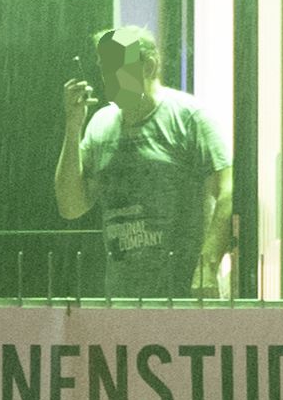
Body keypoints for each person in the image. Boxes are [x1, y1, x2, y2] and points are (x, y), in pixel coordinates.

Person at [53, 24, 231, 297]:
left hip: (185, 295)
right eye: (104, 68)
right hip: (123, 299)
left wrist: (207, 265)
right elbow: (70, 206)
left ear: (148, 67)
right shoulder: (100, 125)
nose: (107, 78)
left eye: (116, 68)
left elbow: (229, 192)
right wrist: (73, 126)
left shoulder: (189, 118)